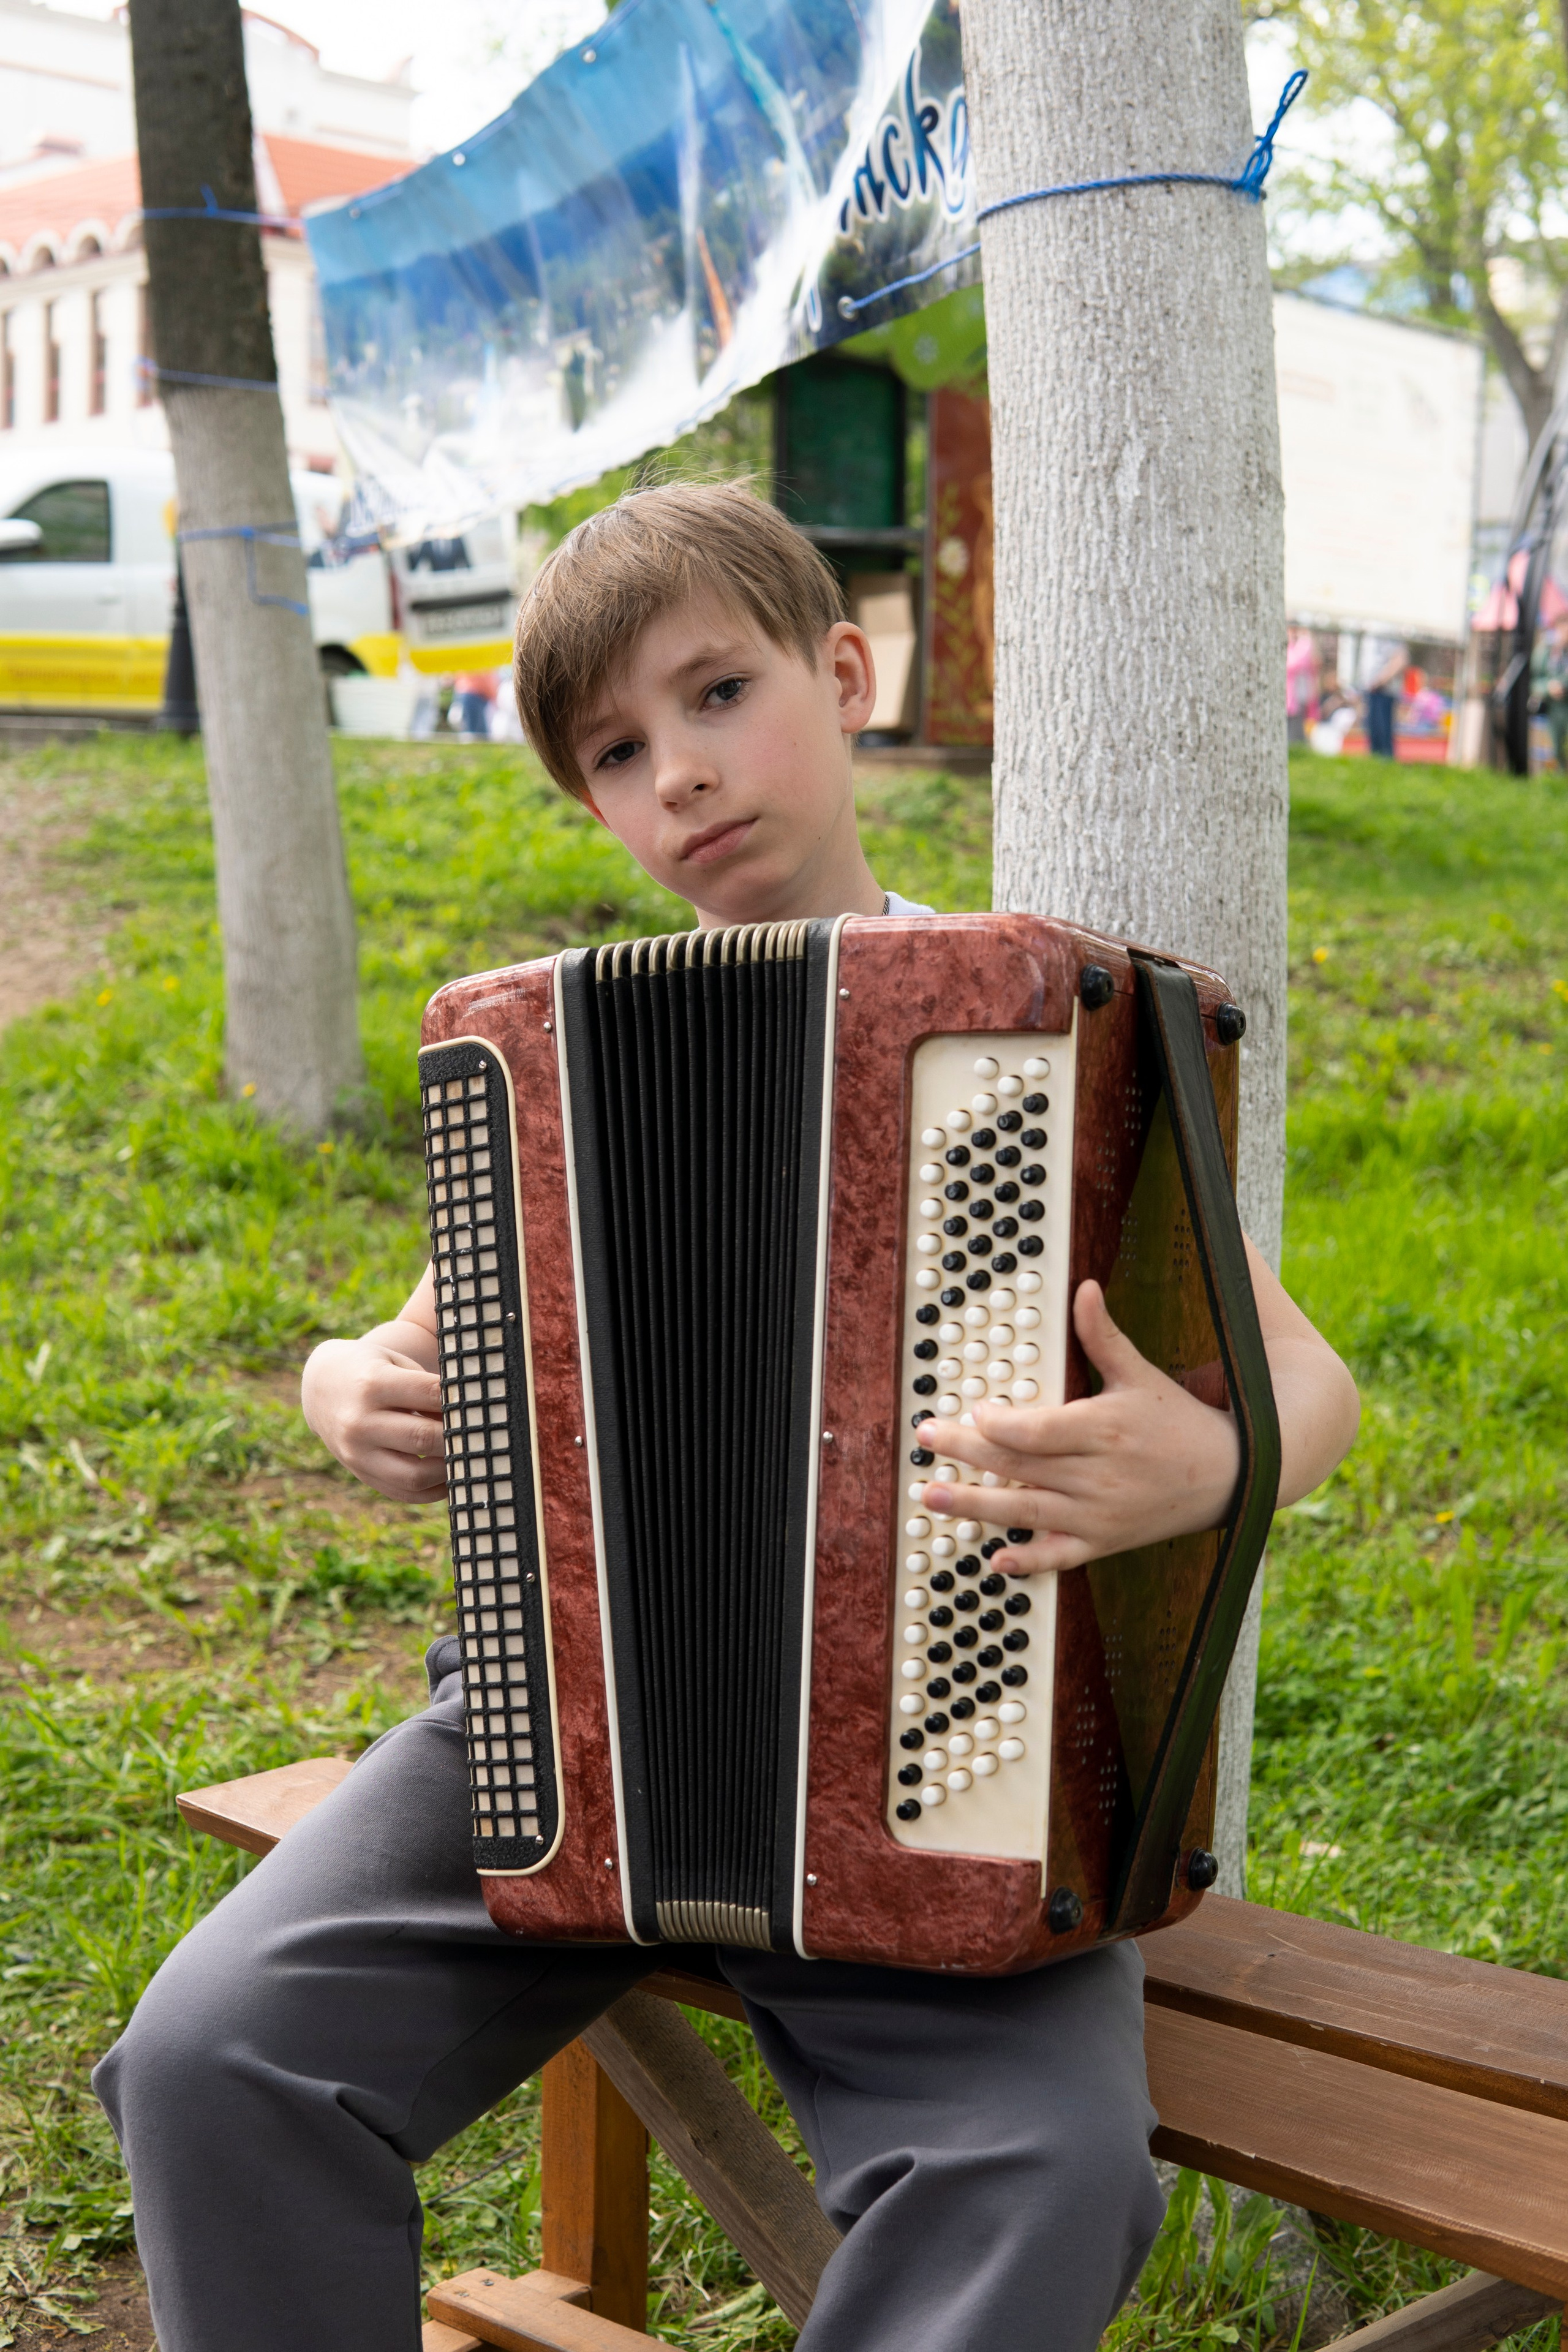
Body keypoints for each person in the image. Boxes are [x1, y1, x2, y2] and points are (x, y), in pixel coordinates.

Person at [92, 484, 1361, 2352]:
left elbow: (1304, 1376)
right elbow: (399, 1340)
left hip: (951, 1752)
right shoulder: (542, 1060)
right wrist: (334, 1382)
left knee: (1048, 2171)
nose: (678, 772)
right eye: (616, 748)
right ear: (591, 803)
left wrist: (1219, 1455)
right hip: (558, 1738)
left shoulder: (1031, 1016)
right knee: (213, 2054)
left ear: (841, 675)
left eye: (716, 693)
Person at [1354, 632, 1407, 760]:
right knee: (1374, 735)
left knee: (1382, 737)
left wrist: (1380, 681)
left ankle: (1385, 764)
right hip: (1373, 688)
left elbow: (1400, 658)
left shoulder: (1388, 628)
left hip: (1383, 689)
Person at [1531, 614, 1568, 771]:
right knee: (1555, 748)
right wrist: (1548, 687)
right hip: (1553, 709)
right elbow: (1533, 681)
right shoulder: (1546, 651)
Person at [1284, 627, 1319, 747]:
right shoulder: (1292, 649)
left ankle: (1297, 745)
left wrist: (1305, 639)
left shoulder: (1301, 648)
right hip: (1290, 695)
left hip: (1297, 695)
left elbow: (1294, 663)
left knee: (1297, 723)